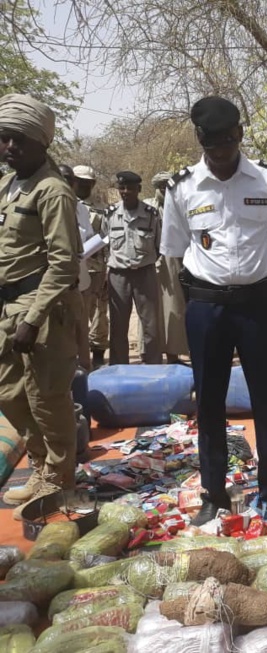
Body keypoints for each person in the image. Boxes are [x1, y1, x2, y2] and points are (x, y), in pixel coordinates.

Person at [162, 96, 267, 526]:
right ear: (200, 142)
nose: (221, 152)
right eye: (211, 145)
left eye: (227, 141)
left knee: (266, 399)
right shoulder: (182, 188)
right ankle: (214, 493)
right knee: (211, 402)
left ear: (240, 134)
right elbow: (174, 251)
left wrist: (254, 267)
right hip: (208, 307)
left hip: (259, 305)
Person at [0, 95, 83, 520]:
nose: (10, 147)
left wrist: (33, 318)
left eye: (20, 140)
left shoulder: (52, 191)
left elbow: (64, 263)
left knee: (47, 396)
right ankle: (39, 464)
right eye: (5, 139)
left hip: (42, 308)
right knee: (11, 394)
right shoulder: (7, 185)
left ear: (42, 143)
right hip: (7, 304)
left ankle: (59, 478)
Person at [102, 171, 162, 365]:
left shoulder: (152, 215)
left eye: (130, 188)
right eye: (122, 188)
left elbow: (159, 246)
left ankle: (153, 367)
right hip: (118, 275)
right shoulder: (110, 214)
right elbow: (104, 246)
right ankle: (119, 368)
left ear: (139, 189)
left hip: (145, 273)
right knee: (118, 325)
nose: (125, 192)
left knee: (151, 325)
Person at [145, 171, 188, 364]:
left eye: (167, 185)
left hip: (175, 261)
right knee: (151, 309)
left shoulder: (181, 203)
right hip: (152, 262)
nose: (164, 189)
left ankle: (174, 353)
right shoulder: (147, 207)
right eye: (160, 186)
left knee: (175, 307)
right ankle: (150, 354)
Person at [58, 164, 95, 371]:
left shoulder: (80, 208)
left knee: (82, 326)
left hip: (81, 277)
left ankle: (85, 370)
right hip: (55, 280)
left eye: (69, 180)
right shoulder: (46, 203)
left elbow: (87, 236)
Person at [73, 164, 109, 368]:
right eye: (81, 182)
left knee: (100, 312)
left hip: (98, 267)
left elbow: (108, 237)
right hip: (77, 267)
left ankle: (98, 350)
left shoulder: (102, 208)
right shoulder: (67, 203)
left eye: (89, 182)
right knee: (79, 313)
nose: (85, 186)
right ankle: (79, 355)